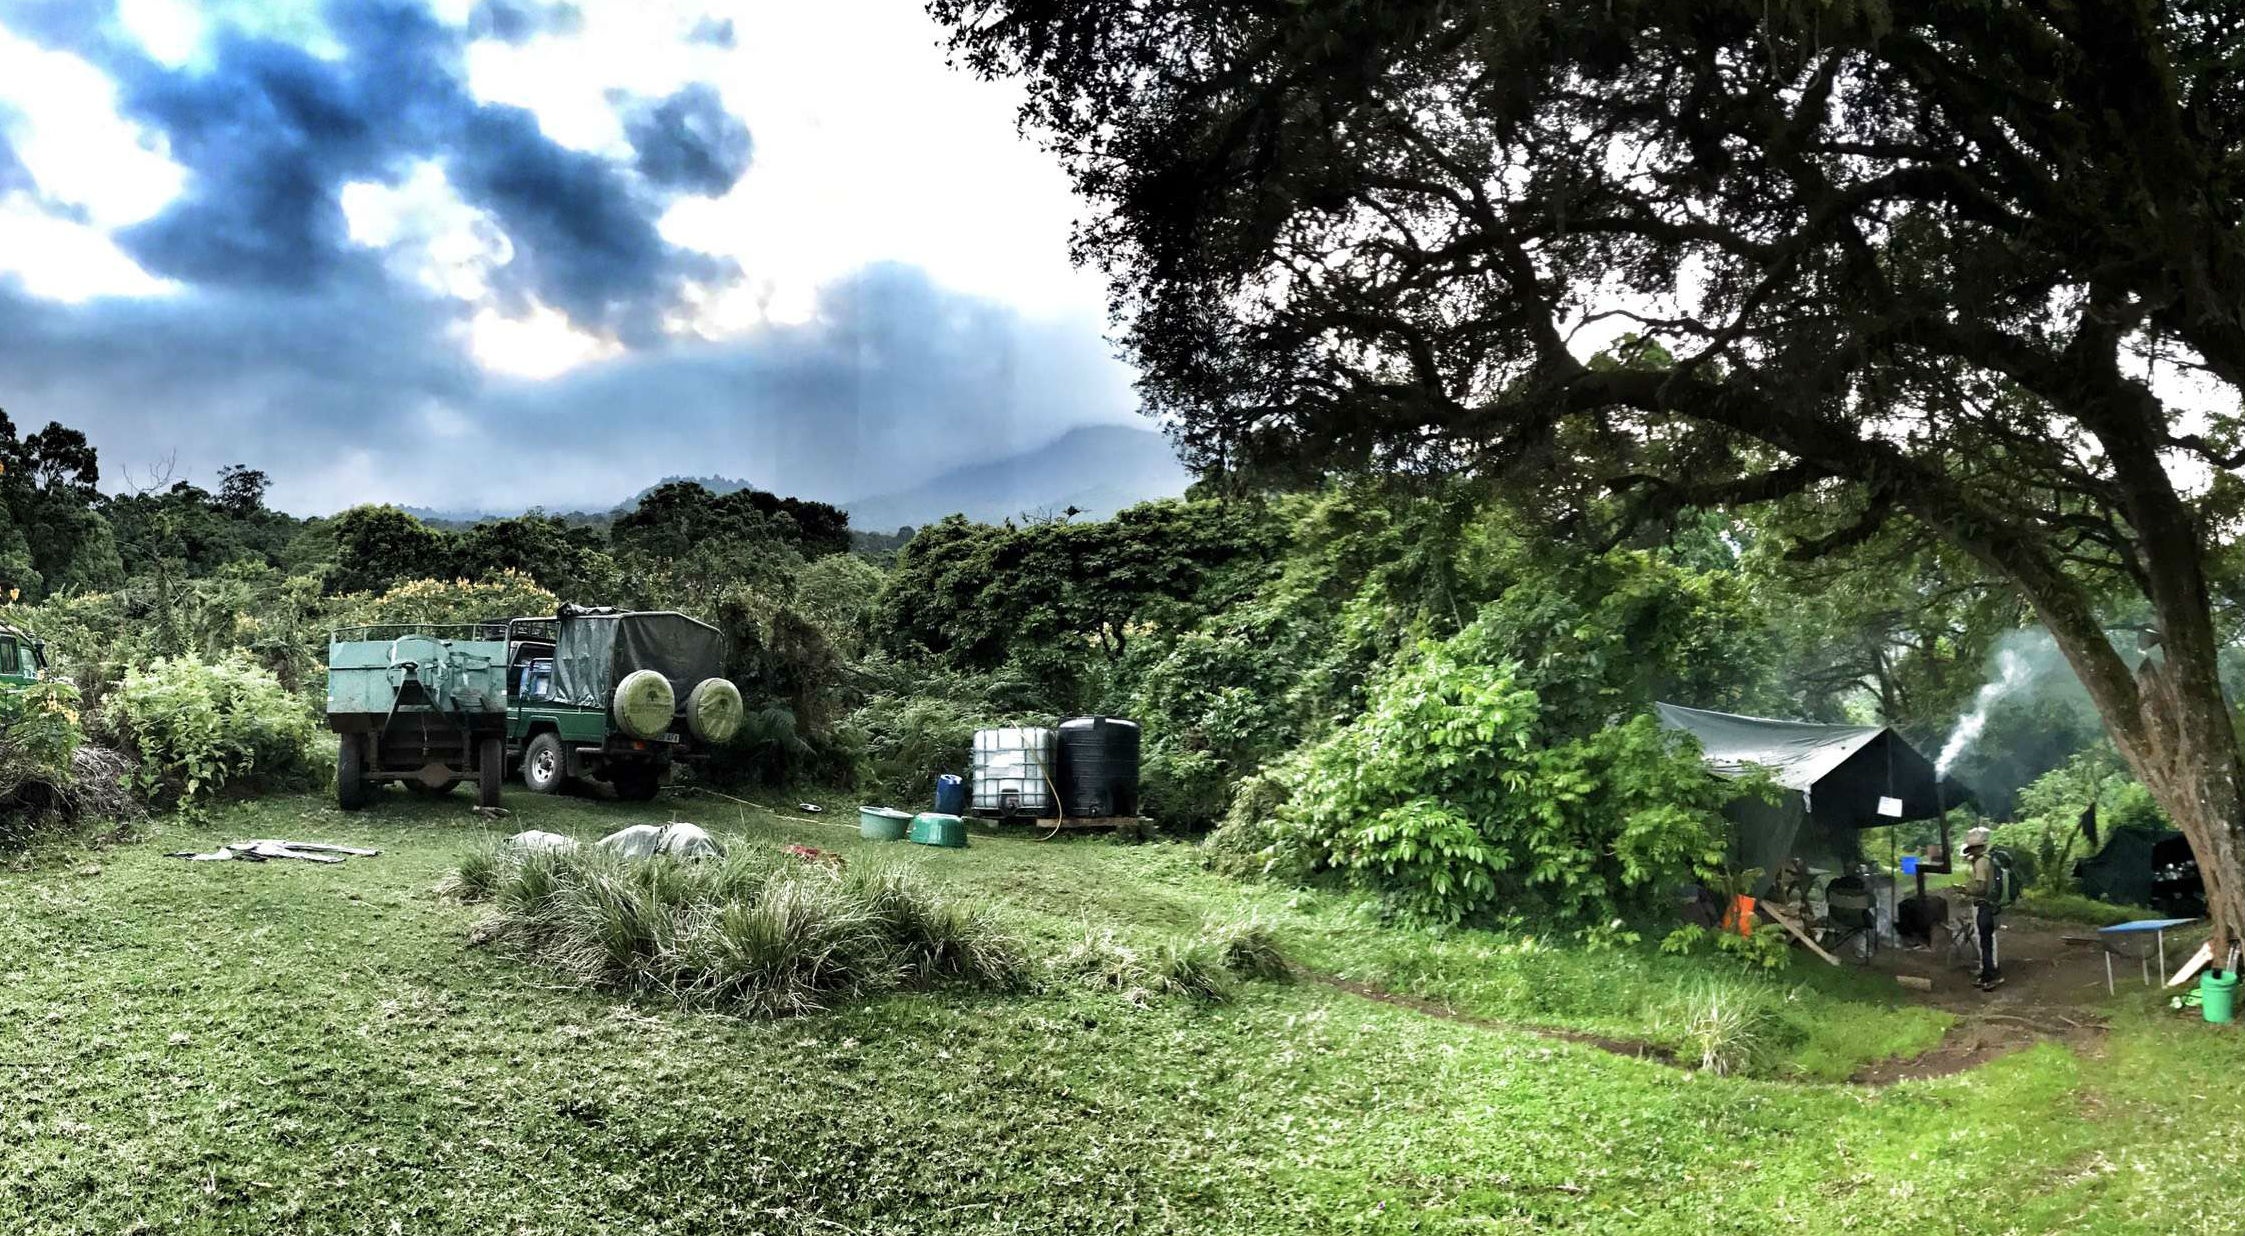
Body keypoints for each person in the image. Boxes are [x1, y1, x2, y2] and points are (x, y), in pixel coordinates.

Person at [1960, 826, 2003, 991]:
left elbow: (1981, 887)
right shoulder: (1990, 859)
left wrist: (1965, 890)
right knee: (1989, 939)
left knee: (1984, 941)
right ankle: (1990, 971)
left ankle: (1989, 976)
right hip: (1993, 905)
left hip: (1984, 905)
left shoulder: (1980, 862)